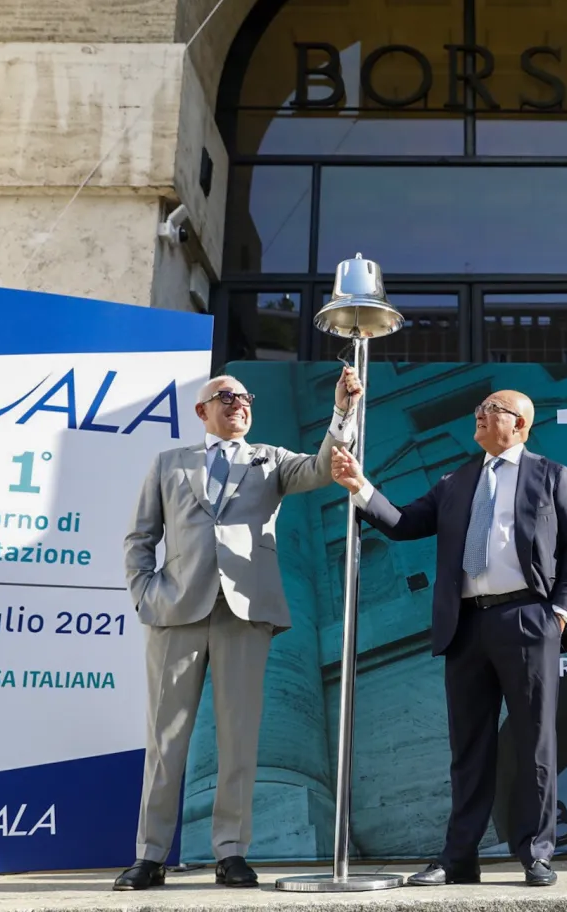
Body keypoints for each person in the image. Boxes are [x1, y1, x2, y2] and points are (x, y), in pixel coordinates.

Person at [330, 390, 567, 887]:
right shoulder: (456, 480)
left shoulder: (550, 475)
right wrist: (360, 486)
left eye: (493, 408)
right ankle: (459, 858)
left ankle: (535, 853)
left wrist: (558, 614)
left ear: (519, 424)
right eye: (479, 408)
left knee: (533, 742)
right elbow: (406, 523)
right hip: (466, 625)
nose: (480, 412)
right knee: (468, 748)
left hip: (527, 620)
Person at [113, 368, 362, 891]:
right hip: (176, 614)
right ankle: (150, 856)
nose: (238, 404)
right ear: (202, 411)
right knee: (166, 740)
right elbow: (140, 538)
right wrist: (144, 594)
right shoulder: (168, 463)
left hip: (244, 614)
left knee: (239, 737)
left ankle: (231, 853)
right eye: (224, 397)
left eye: (244, 397)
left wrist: (341, 411)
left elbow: (322, 469)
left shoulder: (269, 459)